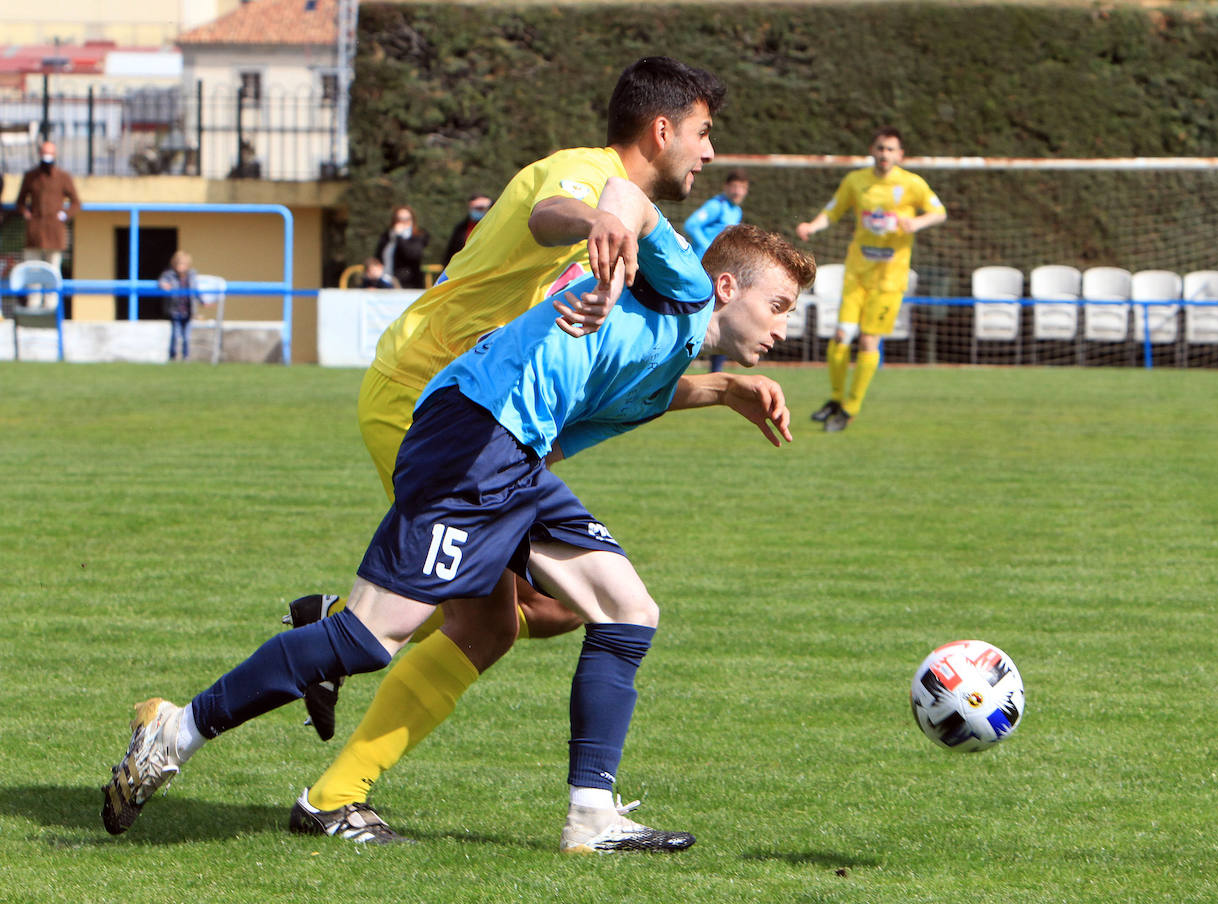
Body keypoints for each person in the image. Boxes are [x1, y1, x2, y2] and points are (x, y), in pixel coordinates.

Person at [100, 179, 815, 855]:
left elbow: (611, 407)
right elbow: (625, 195)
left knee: (627, 609)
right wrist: (611, 236)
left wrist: (722, 391)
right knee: (370, 638)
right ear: (727, 287)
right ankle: (176, 729)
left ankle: (592, 817)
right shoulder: (687, 285)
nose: (785, 326)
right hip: (475, 433)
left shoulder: (666, 360)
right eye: (780, 305)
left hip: (515, 459)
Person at [267, 56, 726, 835]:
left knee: (541, 614)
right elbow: (553, 211)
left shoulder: (630, 216)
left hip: (474, 415)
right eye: (704, 132)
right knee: (497, 621)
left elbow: (602, 370)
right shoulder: (585, 174)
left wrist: (713, 390)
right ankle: (331, 774)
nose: (710, 152)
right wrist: (599, 222)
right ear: (662, 129)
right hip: (424, 399)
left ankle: (334, 638)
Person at [796, 128, 945, 431]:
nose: (885, 154)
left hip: (889, 279)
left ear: (900, 155)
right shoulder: (856, 181)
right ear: (872, 150)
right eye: (880, 148)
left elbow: (938, 212)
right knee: (840, 337)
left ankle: (850, 409)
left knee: (867, 340)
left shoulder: (911, 184)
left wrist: (915, 222)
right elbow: (833, 211)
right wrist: (813, 226)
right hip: (857, 274)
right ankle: (835, 399)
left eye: (891, 149)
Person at [685, 170, 749, 372]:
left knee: (723, 313)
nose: (738, 191)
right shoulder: (717, 206)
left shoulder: (736, 211)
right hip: (702, 269)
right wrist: (709, 247)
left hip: (719, 270)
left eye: (742, 187)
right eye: (735, 186)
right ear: (726, 187)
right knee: (699, 315)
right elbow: (691, 225)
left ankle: (716, 370)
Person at [15, 140, 80, 308]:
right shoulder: (31, 176)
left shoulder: (63, 177)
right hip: (35, 230)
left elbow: (75, 202)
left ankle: (51, 305)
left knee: (53, 270)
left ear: (55, 155)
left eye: (50, 153)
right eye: (45, 153)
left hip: (54, 230)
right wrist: (26, 214)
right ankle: (33, 303)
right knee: (33, 270)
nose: (47, 157)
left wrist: (64, 215)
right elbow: (20, 202)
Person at [374, 205, 430, 289]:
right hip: (385, 282)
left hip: (408, 284)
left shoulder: (419, 235)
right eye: (399, 219)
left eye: (407, 219)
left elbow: (412, 254)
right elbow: (379, 256)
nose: (403, 222)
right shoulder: (387, 236)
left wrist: (399, 237)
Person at [157, 250, 199, 361]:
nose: (181, 266)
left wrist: (203, 302)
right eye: (178, 264)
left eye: (183, 264)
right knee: (175, 335)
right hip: (175, 310)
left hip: (188, 311)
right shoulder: (169, 275)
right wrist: (163, 285)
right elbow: (161, 281)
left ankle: (186, 357)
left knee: (187, 337)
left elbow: (196, 292)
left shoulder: (192, 275)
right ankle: (173, 356)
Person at [443, 192, 493, 262]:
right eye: (478, 208)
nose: (482, 211)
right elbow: (451, 253)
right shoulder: (461, 229)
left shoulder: (496, 227)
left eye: (485, 208)